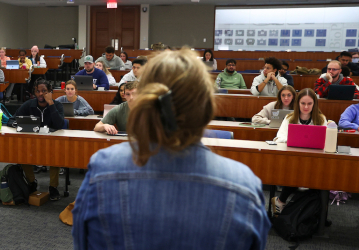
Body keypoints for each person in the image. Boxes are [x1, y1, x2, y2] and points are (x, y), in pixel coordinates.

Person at [73, 49, 270, 249]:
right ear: (206, 107)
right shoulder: (245, 186)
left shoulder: (102, 169)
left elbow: (82, 243)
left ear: (144, 102)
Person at [271, 88, 328, 215]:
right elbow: (278, 138)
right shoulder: (289, 118)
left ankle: (314, 208)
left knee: (316, 175)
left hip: (314, 159)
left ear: (314, 104)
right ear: (297, 103)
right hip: (293, 158)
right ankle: (281, 201)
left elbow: (325, 142)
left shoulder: (321, 119)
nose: (306, 107)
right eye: (303, 103)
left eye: (309, 104)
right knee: (296, 170)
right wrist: (293, 139)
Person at [9, 79, 65, 201]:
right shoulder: (29, 104)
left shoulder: (57, 105)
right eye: (38, 91)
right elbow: (12, 120)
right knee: (22, 153)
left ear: (50, 92)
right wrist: (20, 125)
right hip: (32, 142)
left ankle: (53, 187)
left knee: (56, 156)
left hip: (51, 143)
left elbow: (60, 124)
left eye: (44, 91)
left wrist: (51, 104)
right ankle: (31, 182)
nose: (40, 94)